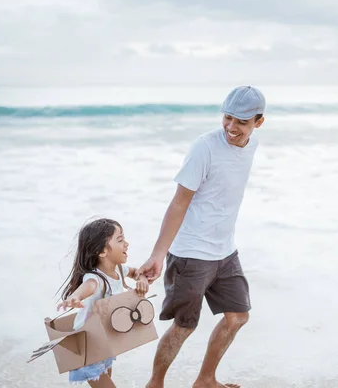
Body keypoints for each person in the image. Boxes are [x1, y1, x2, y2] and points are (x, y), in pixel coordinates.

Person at [136, 86, 266, 388]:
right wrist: (158, 254)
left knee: (238, 317)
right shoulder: (204, 148)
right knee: (184, 327)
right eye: (228, 118)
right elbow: (179, 202)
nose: (232, 128)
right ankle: (155, 384)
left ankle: (205, 380)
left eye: (242, 122)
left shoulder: (252, 144)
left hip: (226, 251)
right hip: (191, 254)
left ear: (258, 122)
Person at [57, 218, 150, 388]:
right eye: (120, 240)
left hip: (105, 342)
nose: (127, 244)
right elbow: (88, 287)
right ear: (102, 251)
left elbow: (137, 272)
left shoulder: (119, 270)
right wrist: (75, 297)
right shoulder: (96, 278)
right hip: (89, 346)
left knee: (107, 376)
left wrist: (142, 279)